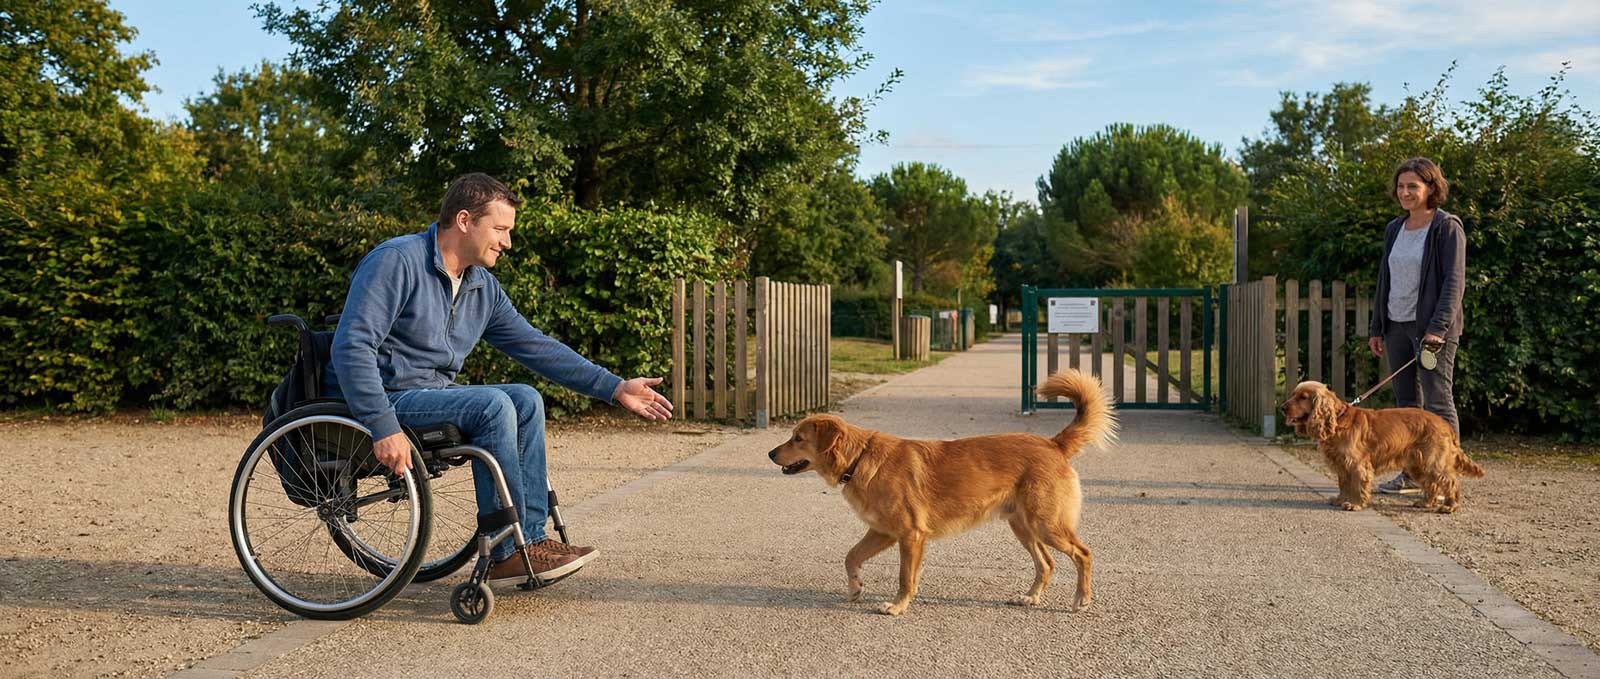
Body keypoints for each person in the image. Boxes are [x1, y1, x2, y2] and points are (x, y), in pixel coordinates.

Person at [326, 173, 674, 583]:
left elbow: (535, 346)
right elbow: (351, 348)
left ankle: (530, 541)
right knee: (491, 406)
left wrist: (614, 387)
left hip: (431, 393)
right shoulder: (397, 261)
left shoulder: (480, 286)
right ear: (464, 221)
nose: (507, 242)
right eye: (501, 229)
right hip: (388, 396)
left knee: (525, 398)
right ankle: (506, 549)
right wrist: (382, 425)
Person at [1367, 157, 1466, 494]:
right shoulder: (1394, 228)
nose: (1405, 192)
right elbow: (1385, 278)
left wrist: (1437, 330)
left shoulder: (1446, 227)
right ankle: (1411, 475)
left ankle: (1445, 479)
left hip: (1432, 332)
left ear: (1431, 188)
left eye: (1413, 186)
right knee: (1407, 406)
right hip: (1396, 325)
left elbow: (1454, 282)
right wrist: (1377, 326)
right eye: (1401, 186)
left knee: (1438, 403)